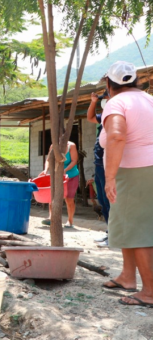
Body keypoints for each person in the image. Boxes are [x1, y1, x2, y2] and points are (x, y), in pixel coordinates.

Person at [99, 61, 153, 307]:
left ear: (110, 85)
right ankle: (127, 277)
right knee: (126, 223)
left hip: (134, 171)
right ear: (135, 81)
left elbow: (117, 135)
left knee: (138, 229)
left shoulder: (116, 102)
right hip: (144, 169)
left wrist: (109, 177)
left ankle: (149, 292)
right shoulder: (148, 99)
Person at [87, 91, 111, 246]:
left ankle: (114, 236)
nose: (105, 100)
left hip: (108, 162)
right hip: (99, 164)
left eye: (106, 97)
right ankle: (110, 232)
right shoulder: (105, 115)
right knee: (102, 199)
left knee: (110, 200)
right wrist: (93, 101)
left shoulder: (116, 114)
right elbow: (89, 117)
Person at [39, 141, 79, 228]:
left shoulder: (71, 146)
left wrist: (64, 171)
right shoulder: (53, 146)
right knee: (52, 196)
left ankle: (70, 221)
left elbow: (74, 161)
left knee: (69, 199)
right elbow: (48, 160)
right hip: (57, 175)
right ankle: (51, 217)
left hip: (71, 175)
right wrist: (46, 170)